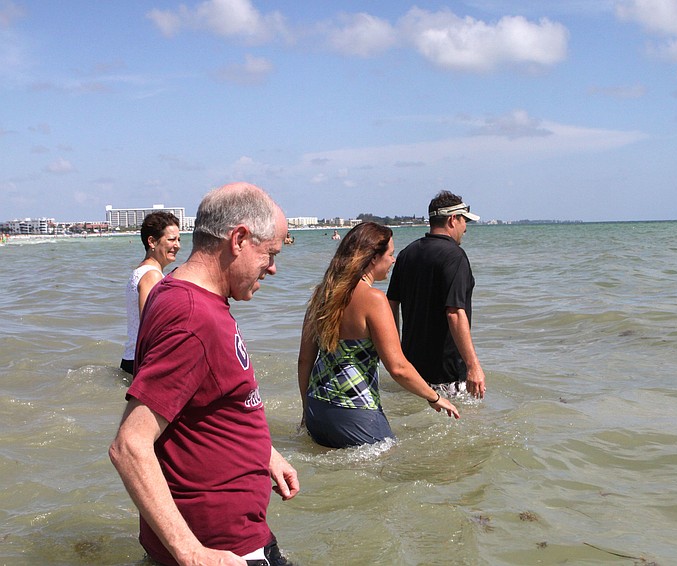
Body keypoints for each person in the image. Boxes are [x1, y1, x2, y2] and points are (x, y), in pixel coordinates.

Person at [109, 183, 299, 566]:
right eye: (271, 254)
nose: (274, 268)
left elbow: (202, 400)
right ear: (239, 239)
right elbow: (130, 445)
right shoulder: (194, 317)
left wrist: (264, 451)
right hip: (226, 548)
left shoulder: (175, 289)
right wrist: (190, 552)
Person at [297, 221, 460, 449]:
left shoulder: (321, 295)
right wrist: (434, 397)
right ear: (373, 258)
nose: (393, 260)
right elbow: (398, 368)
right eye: (390, 254)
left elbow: (305, 360)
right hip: (356, 413)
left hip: (317, 410)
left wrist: (307, 411)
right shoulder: (374, 300)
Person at [387, 190, 487, 399]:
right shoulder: (455, 257)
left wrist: (394, 354)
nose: (466, 228)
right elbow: (455, 313)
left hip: (412, 373)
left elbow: (391, 304)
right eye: (464, 220)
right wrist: (473, 366)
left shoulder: (407, 254)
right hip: (447, 373)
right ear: (452, 220)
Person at [120, 211, 182, 374]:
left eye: (178, 239)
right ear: (152, 242)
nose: (177, 245)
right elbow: (150, 326)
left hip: (134, 360)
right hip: (143, 363)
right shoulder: (151, 275)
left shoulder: (142, 271)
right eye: (171, 239)